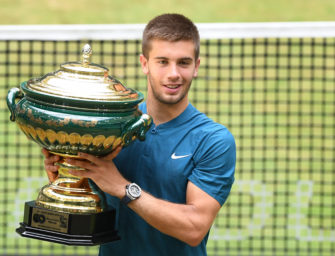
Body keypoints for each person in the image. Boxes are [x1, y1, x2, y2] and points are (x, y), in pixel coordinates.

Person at [43, 13, 236, 256]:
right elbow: (88, 213)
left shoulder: (214, 140)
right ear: (145, 63)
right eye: (162, 61)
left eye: (184, 62)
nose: (174, 73)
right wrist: (67, 177)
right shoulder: (110, 127)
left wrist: (124, 188)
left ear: (196, 67)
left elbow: (194, 227)